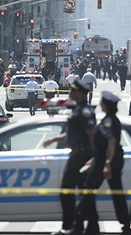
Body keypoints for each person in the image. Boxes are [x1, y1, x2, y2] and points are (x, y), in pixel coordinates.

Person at [67, 91, 131, 235]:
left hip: (105, 161)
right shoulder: (110, 119)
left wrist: (106, 164)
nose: (100, 104)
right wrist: (93, 160)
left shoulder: (108, 121)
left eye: (102, 102)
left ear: (106, 105)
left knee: (88, 191)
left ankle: (77, 226)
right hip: (105, 159)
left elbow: (111, 142)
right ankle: (126, 225)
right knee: (117, 193)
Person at [43, 79, 97, 235]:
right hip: (78, 155)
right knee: (85, 195)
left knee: (66, 191)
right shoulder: (78, 109)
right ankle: (89, 228)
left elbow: (91, 133)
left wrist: (93, 157)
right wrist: (54, 139)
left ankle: (68, 226)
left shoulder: (84, 111)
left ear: (79, 93)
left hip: (81, 157)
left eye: (72, 90)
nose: (69, 92)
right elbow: (72, 134)